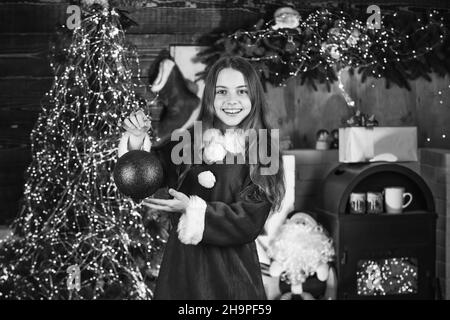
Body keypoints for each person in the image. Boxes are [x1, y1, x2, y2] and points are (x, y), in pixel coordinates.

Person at [118, 56, 285, 300]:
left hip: (232, 279)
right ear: (211, 97)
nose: (231, 101)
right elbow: (147, 173)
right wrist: (135, 138)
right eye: (222, 92)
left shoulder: (263, 150)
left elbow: (249, 220)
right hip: (182, 274)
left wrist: (192, 209)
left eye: (241, 91)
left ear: (254, 98)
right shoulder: (189, 141)